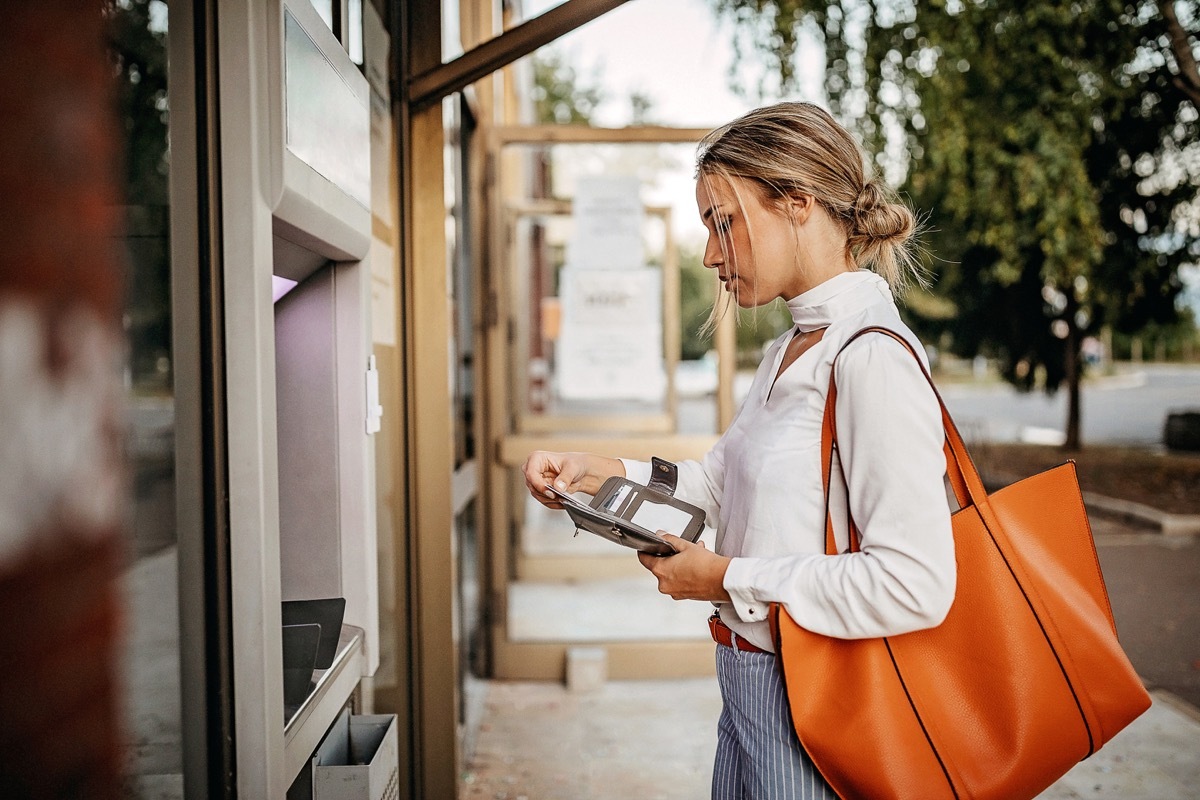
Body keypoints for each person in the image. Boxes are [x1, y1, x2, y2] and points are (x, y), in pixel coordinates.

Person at [523, 101, 955, 800]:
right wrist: (601, 475)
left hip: (817, 707)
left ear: (796, 203)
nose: (709, 253)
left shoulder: (872, 358)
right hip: (752, 691)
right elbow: (721, 487)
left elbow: (915, 585)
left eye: (722, 222)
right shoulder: (791, 349)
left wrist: (725, 578)